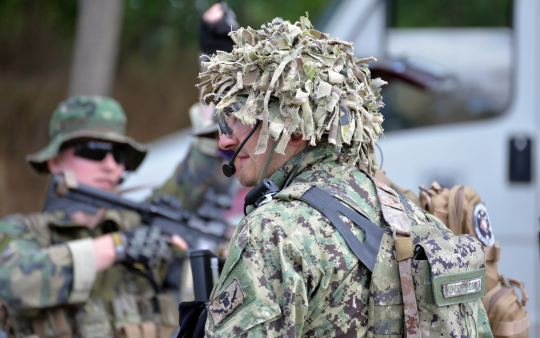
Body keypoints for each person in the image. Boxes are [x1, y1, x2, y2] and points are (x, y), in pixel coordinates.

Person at [193, 17, 493, 337]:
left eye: (236, 121)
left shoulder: (274, 230)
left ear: (293, 131)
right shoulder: (421, 219)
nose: (224, 140)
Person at [0, 96, 188, 338]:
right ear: (55, 160)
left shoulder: (137, 224)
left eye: (119, 155)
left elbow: (194, 184)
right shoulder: (20, 231)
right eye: (95, 150)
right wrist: (119, 246)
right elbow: (15, 283)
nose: (111, 165)